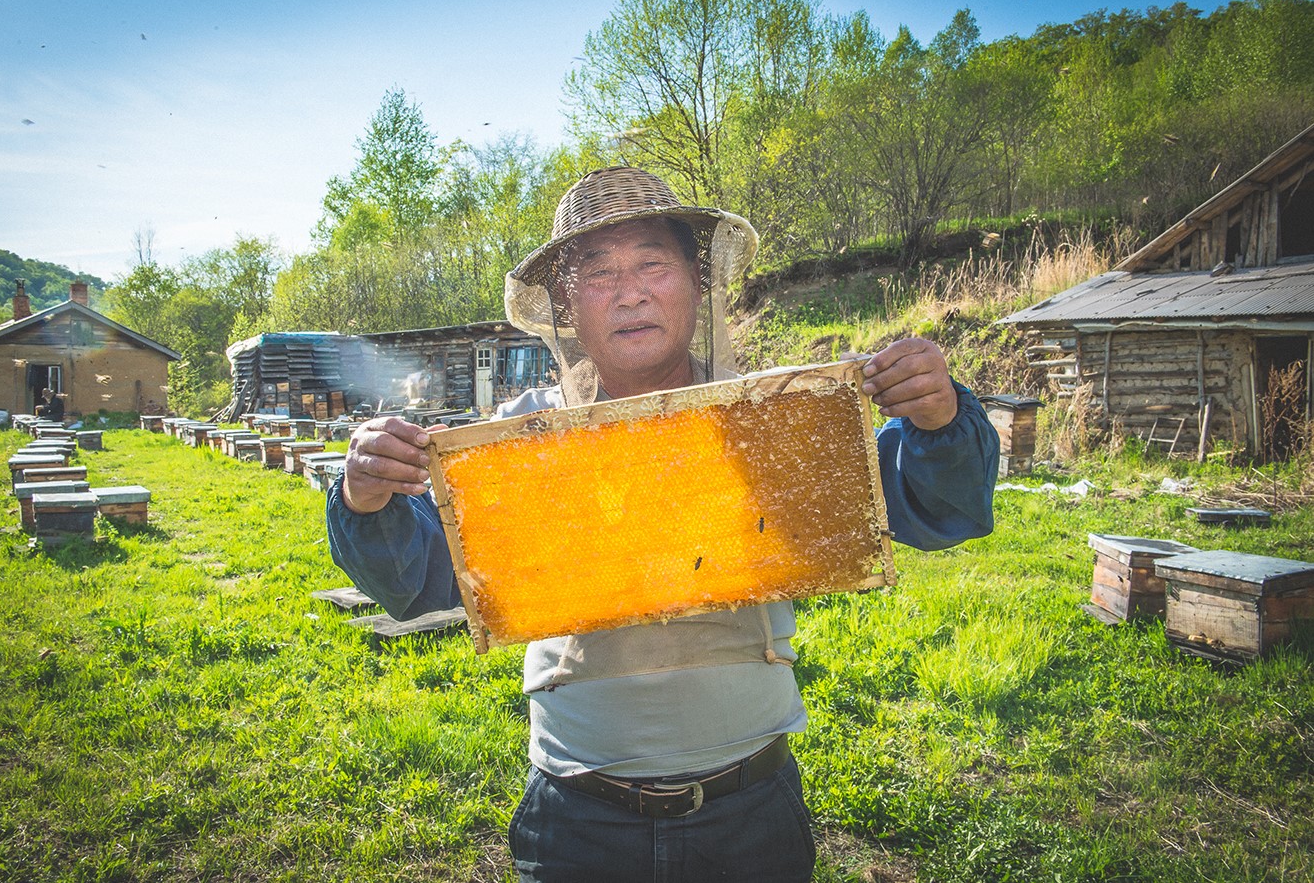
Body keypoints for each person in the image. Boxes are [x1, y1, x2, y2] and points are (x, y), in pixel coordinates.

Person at [327, 167, 999, 882]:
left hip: (752, 818)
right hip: (577, 825)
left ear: (698, 281)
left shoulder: (773, 418)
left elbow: (936, 507)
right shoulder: (518, 444)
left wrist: (937, 417)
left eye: (652, 262)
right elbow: (421, 577)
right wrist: (367, 495)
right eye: (599, 272)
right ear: (566, 304)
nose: (630, 292)